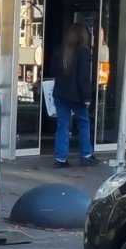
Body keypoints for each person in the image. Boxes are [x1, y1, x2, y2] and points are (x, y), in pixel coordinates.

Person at [51, 22, 97, 167]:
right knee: (84, 122)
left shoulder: (61, 50)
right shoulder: (83, 52)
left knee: (62, 126)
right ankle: (86, 155)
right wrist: (87, 97)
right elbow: (83, 77)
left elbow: (52, 70)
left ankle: (60, 159)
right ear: (84, 37)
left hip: (60, 93)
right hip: (77, 95)